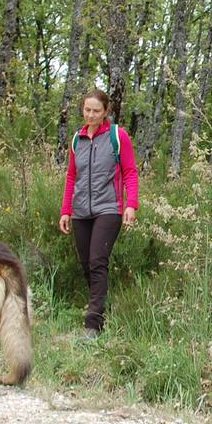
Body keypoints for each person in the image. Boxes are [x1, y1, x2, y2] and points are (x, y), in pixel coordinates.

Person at [58, 89, 138, 338]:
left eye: (96, 111)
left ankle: (92, 324)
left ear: (106, 112)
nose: (90, 115)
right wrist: (66, 210)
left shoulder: (117, 136)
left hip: (109, 208)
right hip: (81, 210)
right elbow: (72, 176)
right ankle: (100, 309)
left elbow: (130, 172)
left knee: (97, 261)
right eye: (87, 110)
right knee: (86, 264)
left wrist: (131, 205)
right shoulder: (77, 139)